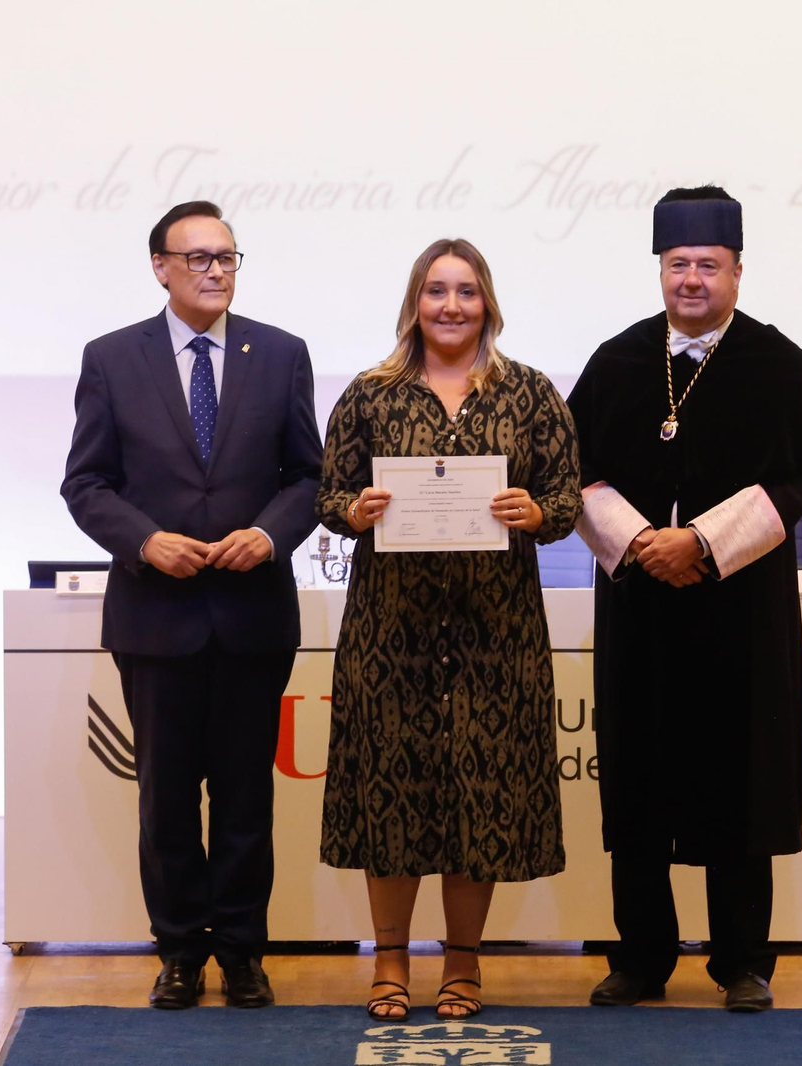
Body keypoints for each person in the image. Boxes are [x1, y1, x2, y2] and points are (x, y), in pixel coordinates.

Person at [568, 186, 802, 1011]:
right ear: (660, 269)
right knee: (639, 772)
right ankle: (640, 957)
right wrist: (643, 543)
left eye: (709, 266)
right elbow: (571, 472)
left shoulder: (777, 363)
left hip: (741, 615)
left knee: (741, 775)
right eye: (678, 264)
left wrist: (705, 546)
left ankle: (743, 962)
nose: (692, 280)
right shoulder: (617, 361)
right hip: (641, 609)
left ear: (738, 271)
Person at [61, 201, 322, 1009]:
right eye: (199, 257)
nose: (216, 271)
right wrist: (144, 541)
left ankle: (242, 951)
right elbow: (87, 484)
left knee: (247, 795)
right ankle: (178, 951)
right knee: (166, 797)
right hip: (156, 617)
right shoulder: (111, 358)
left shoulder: (280, 354)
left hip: (251, 613)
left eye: (229, 257)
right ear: (160, 267)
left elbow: (308, 478)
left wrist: (269, 536)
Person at [316, 239, 581, 1021]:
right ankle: (390, 963)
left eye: (467, 291)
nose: (452, 306)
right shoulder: (369, 395)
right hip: (388, 637)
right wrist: (354, 511)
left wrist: (537, 512)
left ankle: (464, 966)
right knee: (393, 797)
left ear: (488, 303)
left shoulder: (530, 395)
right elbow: (329, 495)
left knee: (482, 799)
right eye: (436, 291)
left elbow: (565, 500)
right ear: (415, 303)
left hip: (494, 639)